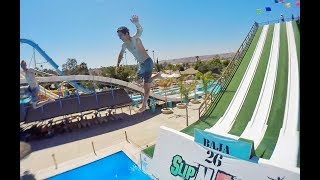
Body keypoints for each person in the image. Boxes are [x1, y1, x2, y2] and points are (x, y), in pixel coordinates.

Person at [116, 15, 160, 113]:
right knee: (139, 81)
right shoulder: (124, 45)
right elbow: (120, 54)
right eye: (118, 36)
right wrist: (117, 64)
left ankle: (143, 106)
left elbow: (140, 31)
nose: (119, 38)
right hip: (141, 66)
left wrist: (136, 23)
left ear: (127, 33)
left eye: (121, 35)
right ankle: (157, 76)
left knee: (146, 87)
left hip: (147, 62)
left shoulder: (134, 39)